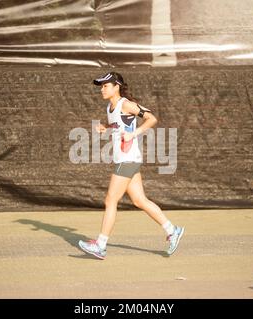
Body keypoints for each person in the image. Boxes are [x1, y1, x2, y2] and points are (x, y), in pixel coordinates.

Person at [78, 71, 184, 260]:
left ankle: (101, 245)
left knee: (110, 200)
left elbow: (151, 118)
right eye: (101, 86)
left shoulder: (126, 104)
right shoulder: (110, 108)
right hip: (126, 159)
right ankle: (172, 230)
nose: (102, 89)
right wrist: (106, 127)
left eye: (105, 85)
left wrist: (134, 134)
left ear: (116, 86)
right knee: (139, 201)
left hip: (128, 159)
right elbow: (119, 125)